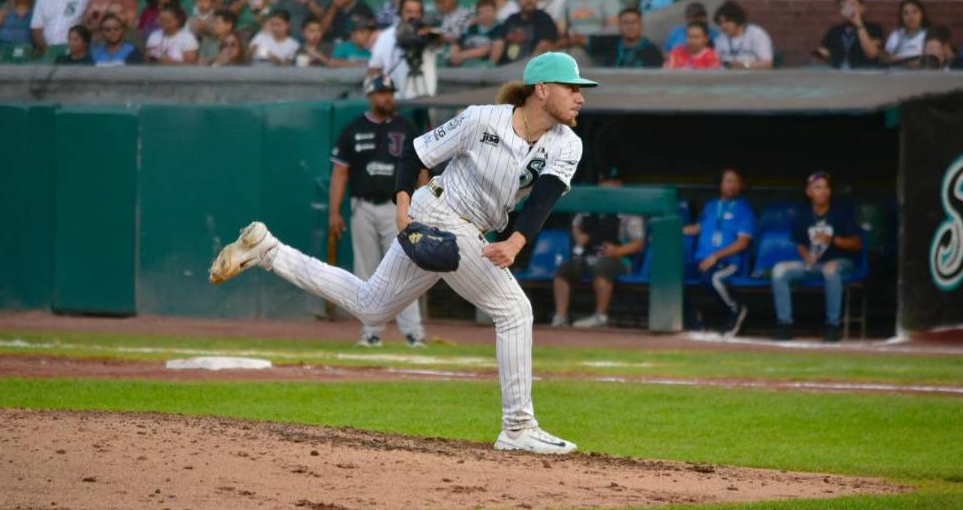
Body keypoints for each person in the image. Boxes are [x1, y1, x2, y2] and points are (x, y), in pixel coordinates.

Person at [209, 51, 597, 454]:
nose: (580, 97)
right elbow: (415, 153)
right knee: (514, 311)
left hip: (469, 226)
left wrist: (515, 242)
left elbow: (544, 197)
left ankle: (268, 252)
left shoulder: (568, 144)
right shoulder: (482, 119)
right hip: (439, 210)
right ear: (541, 89)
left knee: (371, 307)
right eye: (571, 88)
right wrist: (402, 209)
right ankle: (517, 427)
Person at [328, 74, 427, 347]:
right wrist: (334, 212)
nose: (388, 97)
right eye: (382, 93)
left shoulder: (406, 128)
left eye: (390, 93)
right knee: (367, 272)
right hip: (363, 206)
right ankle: (371, 332)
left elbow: (422, 170)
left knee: (405, 269)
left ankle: (414, 333)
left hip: (398, 208)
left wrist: (422, 204)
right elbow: (340, 172)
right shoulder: (353, 129)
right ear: (370, 96)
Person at [771, 172, 861, 343]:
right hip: (813, 265)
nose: (823, 191)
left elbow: (857, 244)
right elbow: (799, 244)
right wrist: (806, 256)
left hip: (840, 263)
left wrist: (832, 240)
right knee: (779, 270)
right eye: (817, 187)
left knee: (829, 269)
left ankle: (833, 325)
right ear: (809, 192)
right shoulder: (803, 215)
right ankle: (785, 324)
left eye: (826, 187)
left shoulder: (841, 213)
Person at [552, 169, 646, 330]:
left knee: (601, 267)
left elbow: (638, 243)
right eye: (604, 182)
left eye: (612, 182)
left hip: (619, 260)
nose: (607, 185)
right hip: (588, 255)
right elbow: (576, 225)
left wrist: (618, 251)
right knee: (564, 269)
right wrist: (579, 236)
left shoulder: (628, 208)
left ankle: (600, 317)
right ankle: (561, 316)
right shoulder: (590, 204)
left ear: (620, 185)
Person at [683, 168, 756, 336]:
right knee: (671, 277)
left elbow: (743, 243)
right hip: (701, 259)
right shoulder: (710, 206)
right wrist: (668, 232)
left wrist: (715, 257)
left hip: (727, 261)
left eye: (736, 181)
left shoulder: (744, 209)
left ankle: (735, 309)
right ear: (720, 184)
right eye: (728, 181)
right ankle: (692, 315)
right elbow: (696, 228)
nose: (732, 185)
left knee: (712, 278)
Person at [369, 0, 438, 99]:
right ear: (400, 13)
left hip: (426, 99)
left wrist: (427, 34)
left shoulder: (428, 34)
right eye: (409, 12)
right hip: (396, 100)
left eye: (417, 12)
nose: (413, 16)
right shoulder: (386, 36)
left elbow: (440, 40)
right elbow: (374, 69)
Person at [491, 0, 557, 65]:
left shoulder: (544, 18)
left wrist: (531, 66)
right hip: (505, 65)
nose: (529, 1)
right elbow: (500, 40)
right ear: (517, 1)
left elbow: (545, 44)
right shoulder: (512, 19)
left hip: (529, 65)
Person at [815, 0, 882, 69]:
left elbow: (872, 54)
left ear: (862, 7)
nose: (849, 8)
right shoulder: (834, 30)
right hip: (838, 72)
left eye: (852, 4)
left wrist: (858, 23)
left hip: (863, 72)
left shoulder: (874, 28)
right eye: (844, 6)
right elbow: (823, 53)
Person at [588, 8, 663, 68]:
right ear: (619, 26)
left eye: (634, 22)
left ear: (641, 25)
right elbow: (586, 40)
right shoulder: (610, 43)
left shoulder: (652, 52)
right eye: (626, 22)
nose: (630, 27)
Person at [713, 1, 773, 70]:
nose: (723, 26)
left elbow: (768, 64)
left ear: (737, 19)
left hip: (753, 75)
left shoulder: (756, 34)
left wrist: (744, 65)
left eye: (728, 21)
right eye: (721, 22)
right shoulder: (720, 39)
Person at [449, 0, 501, 67]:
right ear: (477, 14)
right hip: (465, 64)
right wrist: (455, 54)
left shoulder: (499, 28)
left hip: (483, 65)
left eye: (489, 11)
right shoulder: (471, 28)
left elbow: (486, 50)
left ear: (495, 11)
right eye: (482, 12)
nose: (486, 14)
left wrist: (462, 55)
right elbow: (457, 43)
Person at [884, 0, 928, 67]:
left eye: (915, 12)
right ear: (901, 17)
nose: (911, 16)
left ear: (922, 14)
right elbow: (887, 58)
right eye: (906, 13)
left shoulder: (928, 34)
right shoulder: (896, 35)